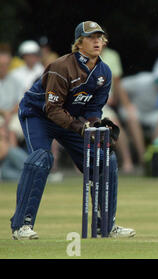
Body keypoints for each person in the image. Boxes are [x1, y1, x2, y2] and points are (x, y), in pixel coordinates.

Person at [10, 21, 135, 240]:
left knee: (105, 159)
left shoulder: (104, 71)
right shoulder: (61, 67)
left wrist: (97, 125)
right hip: (38, 115)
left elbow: (94, 107)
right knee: (41, 159)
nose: (97, 41)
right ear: (79, 43)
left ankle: (104, 225)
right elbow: (53, 109)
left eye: (100, 37)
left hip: (69, 118)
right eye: (91, 37)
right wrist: (81, 127)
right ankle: (22, 226)